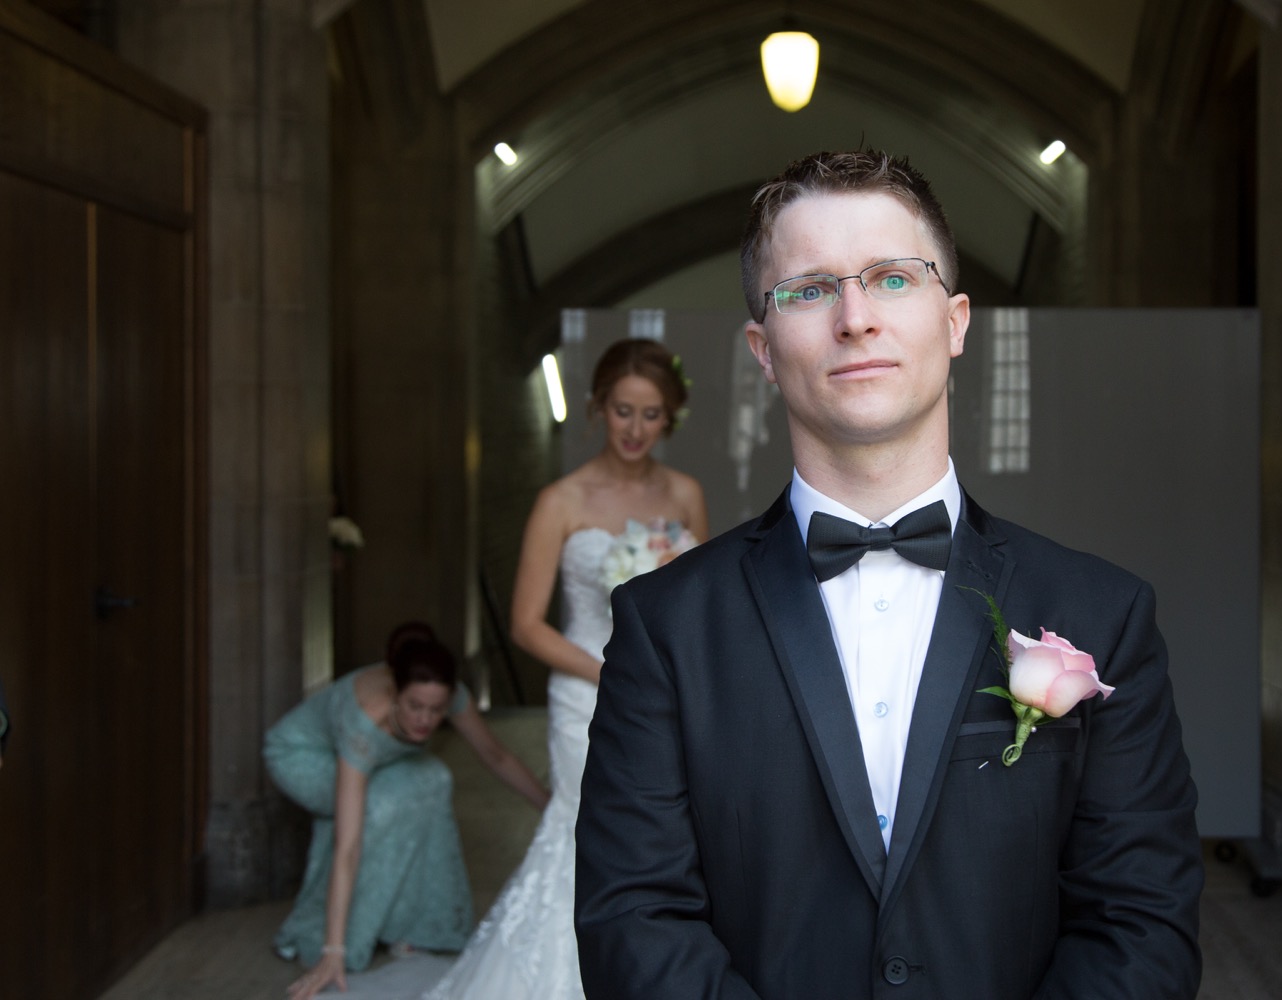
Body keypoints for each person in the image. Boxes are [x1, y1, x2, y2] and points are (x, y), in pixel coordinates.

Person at [574, 150, 1203, 998]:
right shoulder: (664, 627)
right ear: (763, 349)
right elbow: (632, 923)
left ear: (955, 321)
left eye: (893, 278)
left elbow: (1141, 925)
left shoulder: (1105, 613)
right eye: (809, 290)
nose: (855, 317)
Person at [423, 337, 707, 1000]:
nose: (635, 428)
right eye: (622, 411)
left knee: (667, 831)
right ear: (597, 407)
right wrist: (612, 676)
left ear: (670, 418)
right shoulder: (561, 500)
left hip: (669, 695)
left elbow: (701, 603)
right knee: (591, 830)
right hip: (586, 693)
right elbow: (526, 625)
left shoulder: (686, 494)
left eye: (651, 414)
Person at [266, 623, 549, 1000]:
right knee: (383, 805)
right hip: (299, 756)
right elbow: (348, 846)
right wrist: (333, 952)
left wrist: (552, 808)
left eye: (436, 710)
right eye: (415, 707)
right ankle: (329, 932)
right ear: (394, 693)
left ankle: (410, 925)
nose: (425, 720)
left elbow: (495, 756)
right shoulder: (364, 721)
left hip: (367, 763)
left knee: (431, 779)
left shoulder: (451, 696)